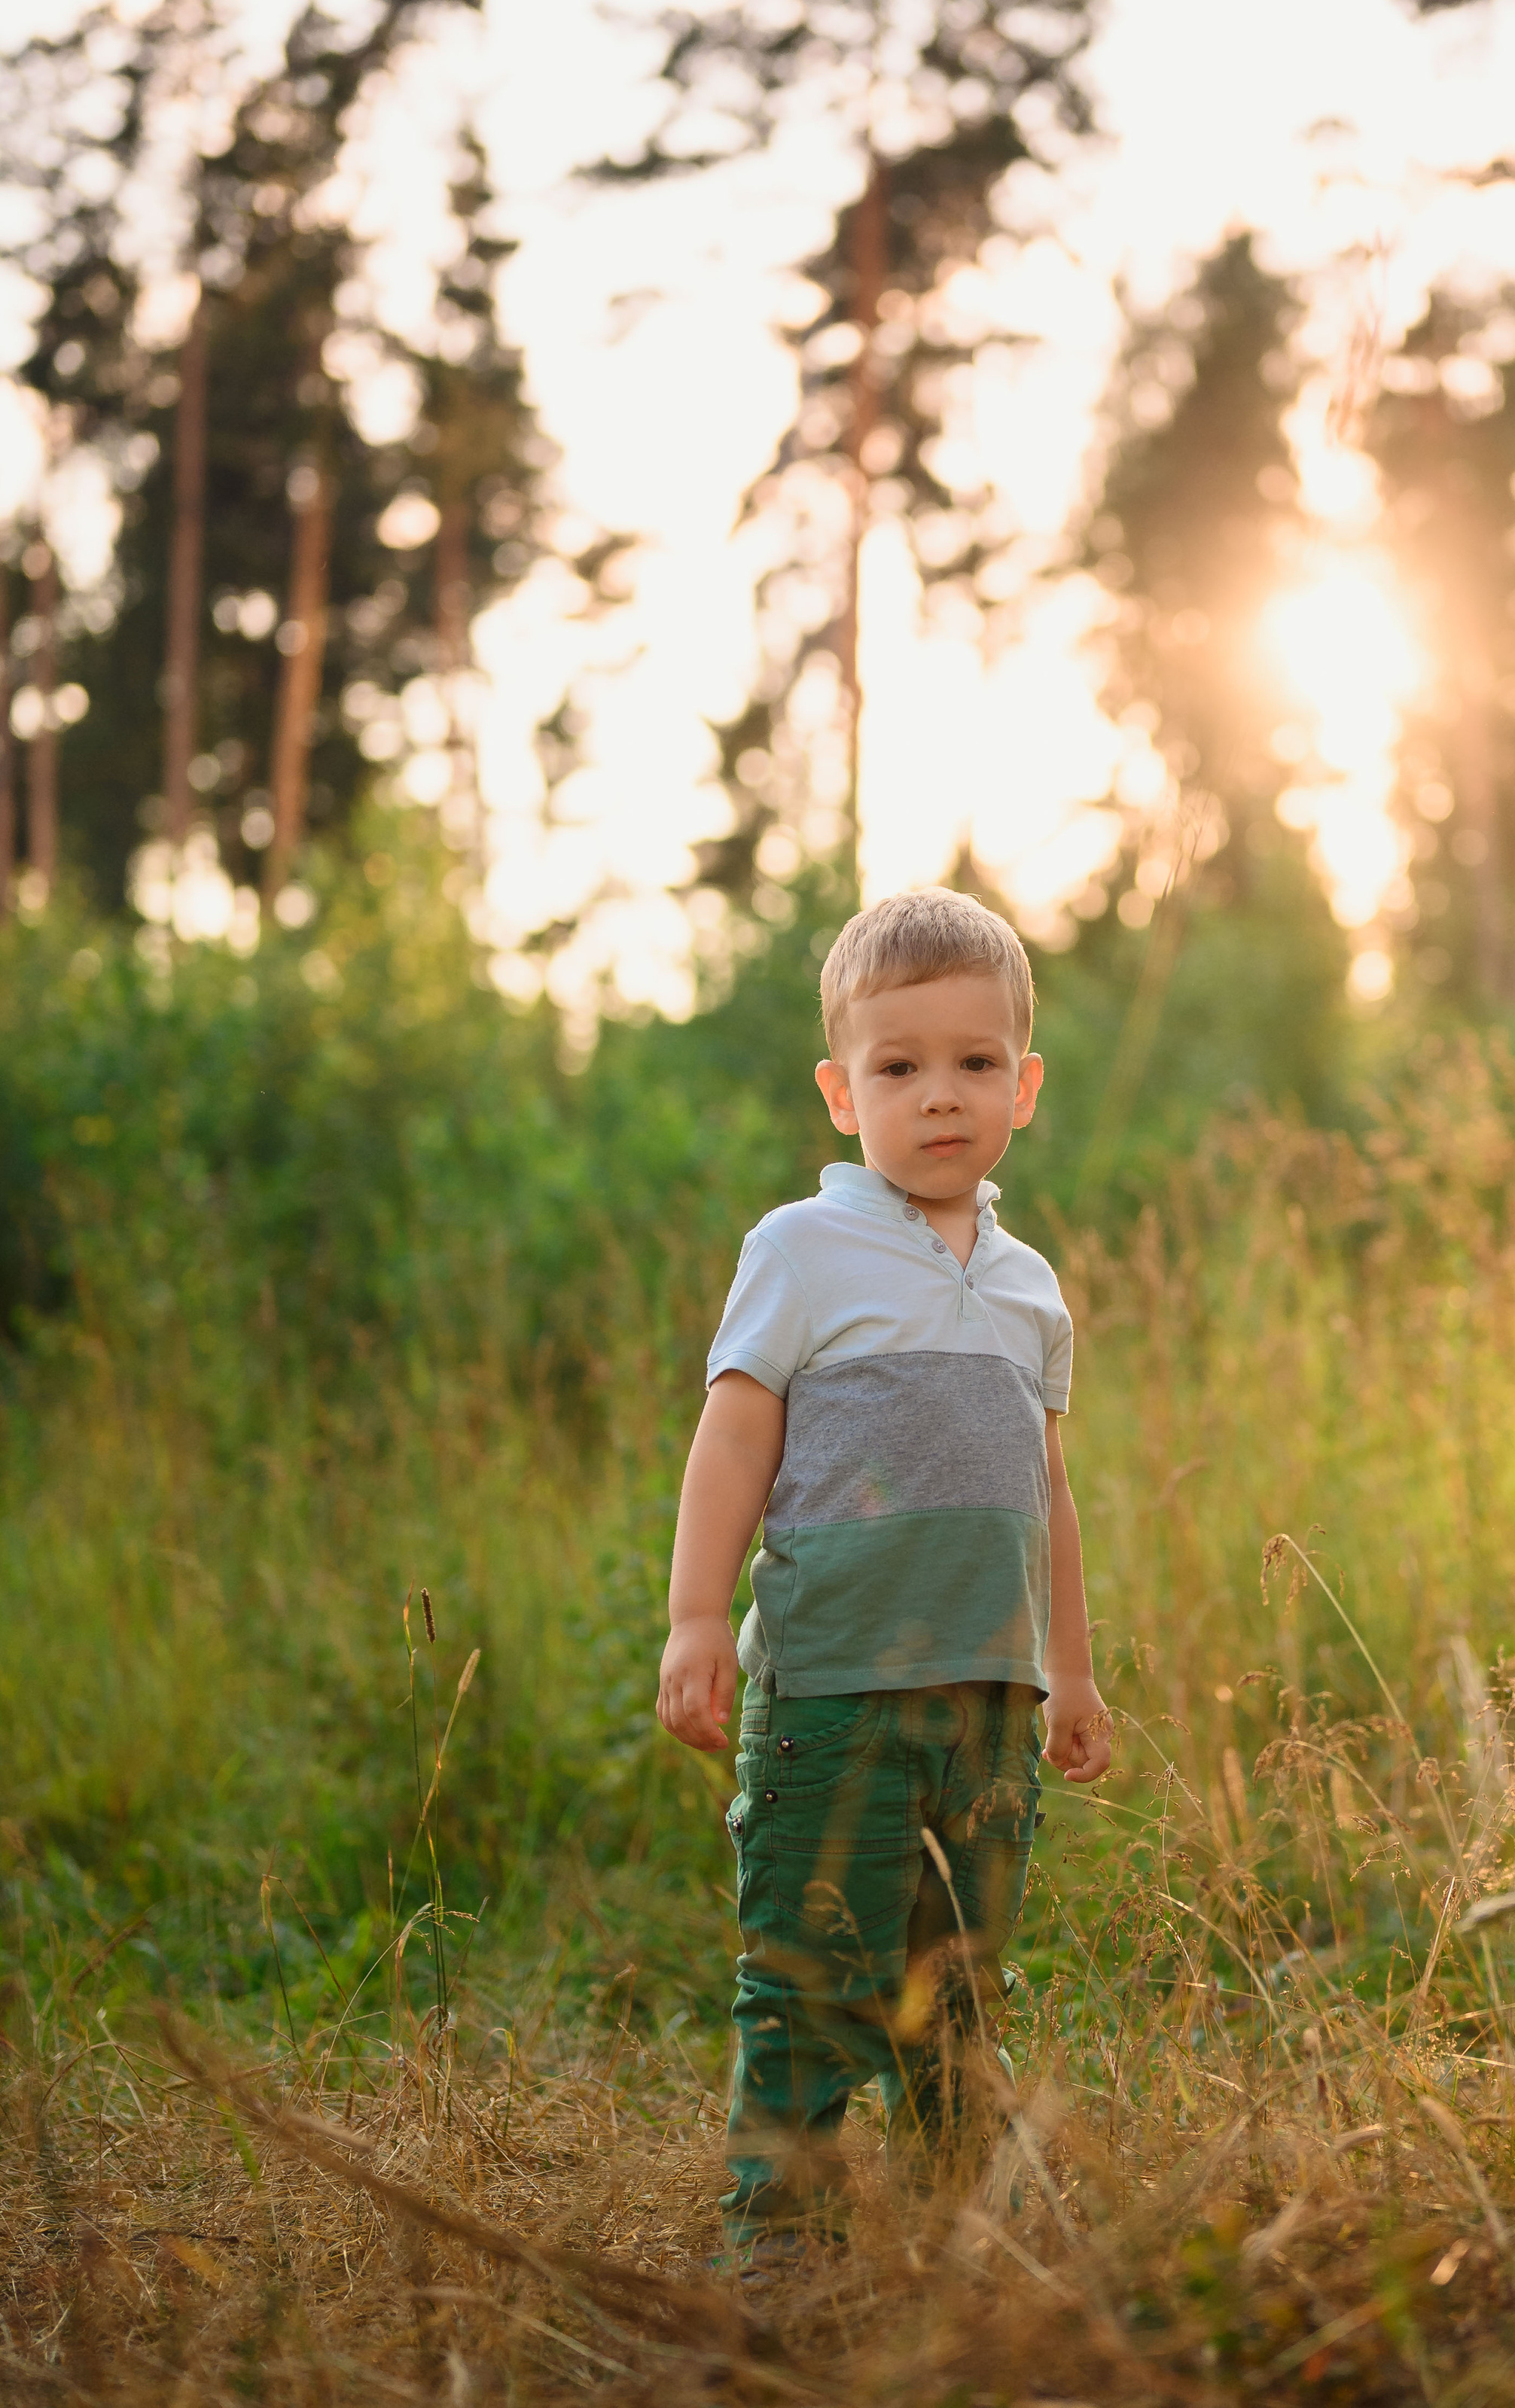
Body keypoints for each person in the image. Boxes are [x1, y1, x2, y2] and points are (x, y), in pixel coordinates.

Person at [655, 886, 1113, 2264]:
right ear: (841, 1093)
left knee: (956, 1988)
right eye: (899, 1067)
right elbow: (736, 1432)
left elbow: (1045, 1488)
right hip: (834, 1694)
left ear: (1024, 1086)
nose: (940, 1096)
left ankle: (950, 2236)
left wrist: (1071, 1670)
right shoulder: (801, 1250)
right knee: (812, 1977)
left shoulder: (1030, 1287)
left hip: (989, 1703)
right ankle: (778, 2250)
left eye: (976, 1062)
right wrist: (695, 1615)